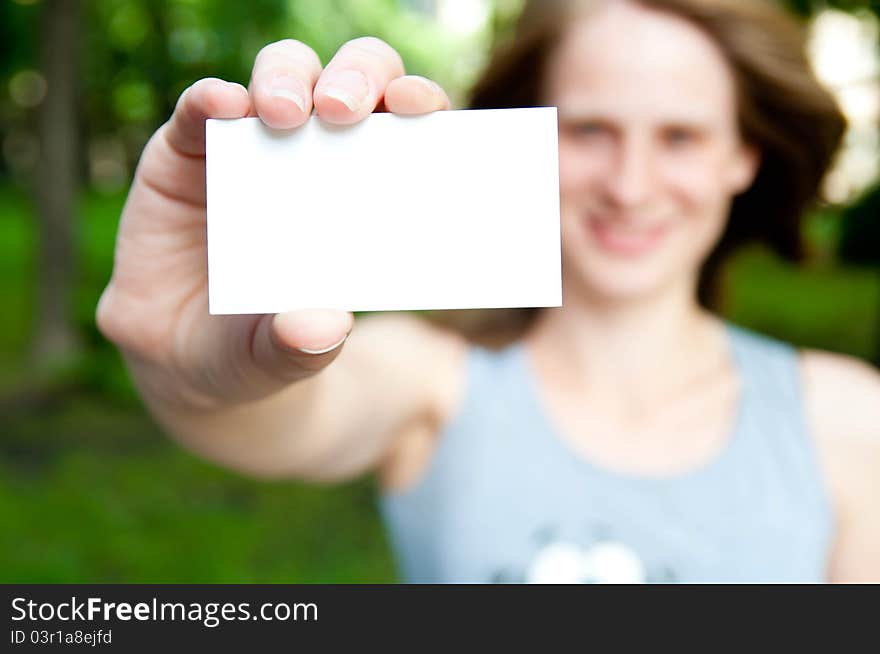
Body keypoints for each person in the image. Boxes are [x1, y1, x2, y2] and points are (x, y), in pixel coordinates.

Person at [97, 0, 880, 582]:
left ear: (741, 159)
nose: (631, 185)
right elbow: (277, 418)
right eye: (589, 131)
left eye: (680, 136)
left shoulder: (851, 420)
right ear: (524, 134)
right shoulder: (430, 377)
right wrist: (190, 369)